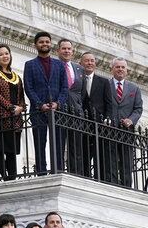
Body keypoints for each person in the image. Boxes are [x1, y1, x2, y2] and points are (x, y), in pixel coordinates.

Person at [23, 32, 68, 174]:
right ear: (35, 45)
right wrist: (40, 105)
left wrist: (57, 104)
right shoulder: (29, 65)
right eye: (41, 42)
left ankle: (59, 170)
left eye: (47, 42)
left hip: (57, 110)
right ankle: (41, 171)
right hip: (38, 111)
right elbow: (28, 87)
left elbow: (64, 87)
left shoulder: (59, 65)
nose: (45, 44)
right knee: (39, 143)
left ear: (50, 44)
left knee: (58, 143)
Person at [0, 44, 26, 181]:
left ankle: (12, 178)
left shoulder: (16, 76)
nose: (5, 56)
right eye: (1, 54)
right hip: (0, 117)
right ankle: (5, 177)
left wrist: (20, 108)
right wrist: (10, 107)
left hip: (15, 119)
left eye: (7, 53)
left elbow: (21, 97)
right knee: (0, 150)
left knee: (12, 152)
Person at [109, 57, 143, 187]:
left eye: (123, 67)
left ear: (126, 71)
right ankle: (111, 183)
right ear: (112, 70)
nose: (120, 70)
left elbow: (138, 108)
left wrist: (131, 120)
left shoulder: (134, 89)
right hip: (109, 129)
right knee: (110, 158)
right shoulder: (106, 85)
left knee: (126, 160)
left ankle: (127, 185)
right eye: (117, 67)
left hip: (126, 130)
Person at [79, 51, 111, 179]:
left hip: (99, 123)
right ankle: (85, 176)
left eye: (92, 61)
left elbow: (109, 103)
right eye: (87, 61)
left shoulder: (104, 82)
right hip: (83, 122)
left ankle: (100, 178)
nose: (90, 63)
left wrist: (108, 118)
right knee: (84, 153)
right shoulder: (78, 79)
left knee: (100, 153)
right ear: (81, 63)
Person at [56, 39, 85, 174]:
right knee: (59, 144)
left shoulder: (79, 69)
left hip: (76, 112)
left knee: (76, 146)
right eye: (64, 48)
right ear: (57, 51)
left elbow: (82, 93)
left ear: (72, 52)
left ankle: (76, 173)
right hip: (59, 110)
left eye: (69, 49)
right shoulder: (54, 66)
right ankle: (60, 171)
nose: (66, 51)